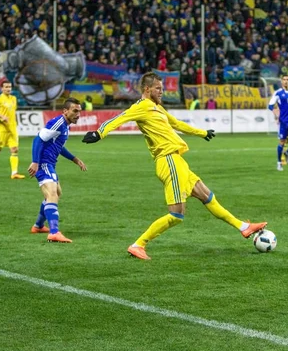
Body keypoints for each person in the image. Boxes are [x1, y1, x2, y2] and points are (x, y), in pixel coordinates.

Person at [82, 72, 267, 260]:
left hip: (178, 161)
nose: (162, 92)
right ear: (147, 89)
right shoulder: (142, 106)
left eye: (162, 88)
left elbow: (177, 124)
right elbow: (119, 118)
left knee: (207, 196)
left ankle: (243, 227)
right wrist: (99, 133)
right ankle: (138, 244)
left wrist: (202, 133)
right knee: (177, 215)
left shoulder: (157, 108)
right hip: (168, 160)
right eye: (158, 89)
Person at [28, 98, 87, 243]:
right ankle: (54, 232)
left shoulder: (66, 125)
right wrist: (35, 162)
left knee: (56, 193)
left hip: (49, 164)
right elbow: (38, 140)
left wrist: (74, 159)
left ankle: (38, 225)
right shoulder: (58, 123)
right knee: (53, 194)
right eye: (75, 111)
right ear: (65, 111)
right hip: (44, 163)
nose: (78, 114)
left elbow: (58, 146)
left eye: (79, 111)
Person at [0, 81, 25, 180]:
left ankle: (14, 173)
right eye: (6, 87)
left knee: (14, 149)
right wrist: (1, 116)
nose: (8, 89)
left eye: (10, 87)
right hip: (2, 129)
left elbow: (12, 112)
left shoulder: (13, 99)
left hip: (12, 128)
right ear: (2, 88)